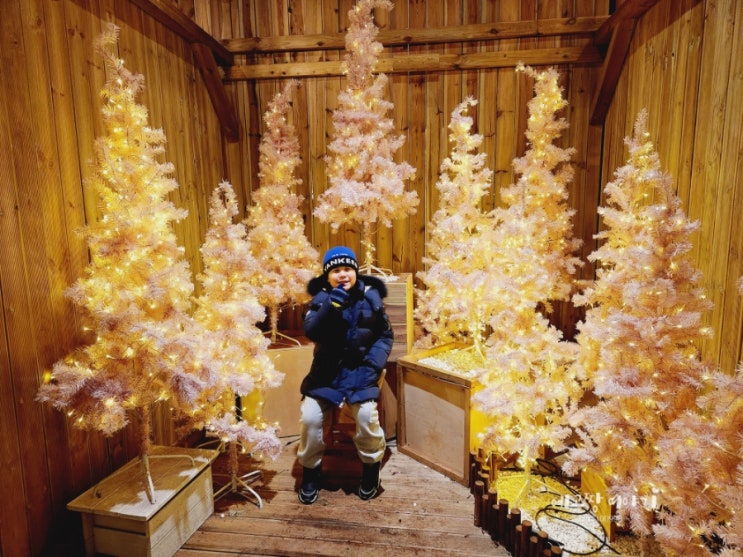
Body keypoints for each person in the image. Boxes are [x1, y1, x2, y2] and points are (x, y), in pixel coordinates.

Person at [297, 246, 393, 504]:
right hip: (326, 373)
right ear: (327, 276)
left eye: (347, 269)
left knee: (366, 417)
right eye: (336, 270)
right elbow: (312, 332)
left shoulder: (371, 297)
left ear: (355, 271)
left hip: (360, 371)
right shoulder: (320, 299)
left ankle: (371, 469)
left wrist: (373, 364)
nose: (342, 274)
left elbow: (385, 335)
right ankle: (311, 471)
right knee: (310, 417)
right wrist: (331, 305)